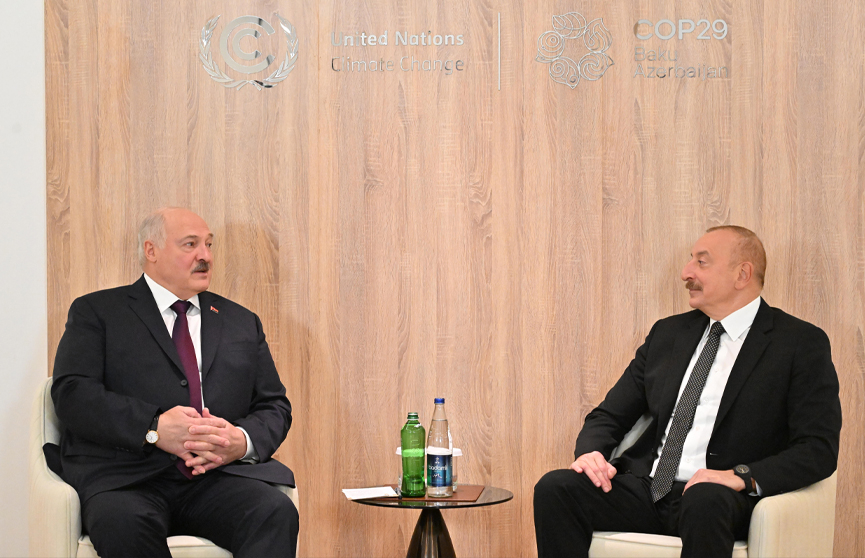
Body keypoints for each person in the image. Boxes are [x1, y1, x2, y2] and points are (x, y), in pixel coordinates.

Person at [534, 225, 841, 557]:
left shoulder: (798, 343)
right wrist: (591, 453)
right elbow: (609, 415)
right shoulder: (668, 334)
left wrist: (740, 477)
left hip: (722, 498)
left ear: (742, 274)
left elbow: (817, 448)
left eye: (701, 262)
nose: (686, 273)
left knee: (705, 498)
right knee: (556, 487)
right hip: (649, 488)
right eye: (690, 260)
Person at [50, 207, 299, 557]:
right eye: (190, 244)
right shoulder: (98, 311)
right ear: (151, 251)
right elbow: (72, 394)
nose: (205, 255)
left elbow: (274, 405)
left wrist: (240, 441)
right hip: (127, 479)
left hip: (216, 478)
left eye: (209, 244)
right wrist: (152, 428)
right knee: (122, 522)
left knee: (273, 511)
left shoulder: (241, 321)